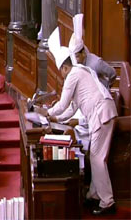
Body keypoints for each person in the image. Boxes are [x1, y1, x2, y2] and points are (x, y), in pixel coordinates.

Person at [35, 47, 117, 215]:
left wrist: (48, 113)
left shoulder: (73, 74)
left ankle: (107, 202)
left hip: (102, 114)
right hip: (104, 113)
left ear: (65, 67)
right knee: (97, 158)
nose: (62, 76)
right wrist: (56, 119)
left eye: (61, 72)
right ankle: (94, 194)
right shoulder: (81, 72)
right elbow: (72, 108)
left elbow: (63, 103)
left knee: (96, 158)